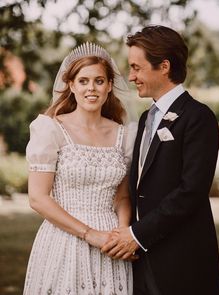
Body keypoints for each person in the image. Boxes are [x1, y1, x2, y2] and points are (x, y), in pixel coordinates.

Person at [101, 25, 219, 295]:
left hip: (182, 259)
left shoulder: (198, 117)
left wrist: (136, 235)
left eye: (136, 67)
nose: (131, 76)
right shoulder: (146, 118)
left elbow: (191, 191)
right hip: (143, 260)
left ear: (164, 66)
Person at [23, 42, 137, 295]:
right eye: (83, 81)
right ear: (71, 85)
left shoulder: (124, 136)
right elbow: (38, 198)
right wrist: (89, 234)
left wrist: (122, 234)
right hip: (64, 239)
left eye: (98, 81)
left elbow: (122, 197)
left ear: (109, 85)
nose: (91, 89)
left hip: (111, 244)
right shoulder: (50, 129)